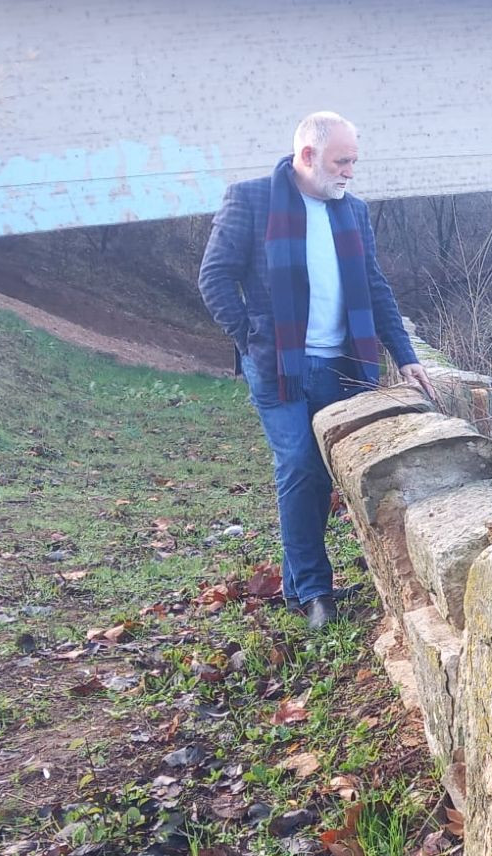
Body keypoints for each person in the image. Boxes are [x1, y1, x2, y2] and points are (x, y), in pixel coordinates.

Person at [199, 111, 435, 630]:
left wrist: (406, 355)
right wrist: (250, 337)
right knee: (300, 465)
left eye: (353, 161)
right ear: (307, 155)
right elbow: (214, 277)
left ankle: (298, 579)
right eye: (341, 161)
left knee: (325, 473)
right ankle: (314, 591)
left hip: (343, 363)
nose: (350, 171)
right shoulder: (251, 199)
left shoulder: (352, 212)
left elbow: (375, 288)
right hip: (277, 366)